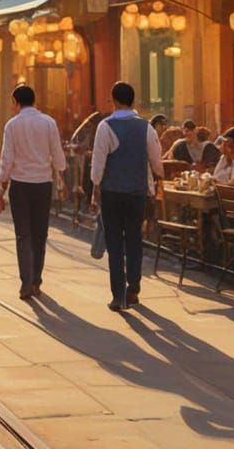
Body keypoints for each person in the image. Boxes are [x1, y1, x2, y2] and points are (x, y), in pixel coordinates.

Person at [90, 82, 164, 311]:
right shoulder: (146, 127)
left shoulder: (105, 126)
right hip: (136, 192)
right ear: (132, 101)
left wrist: (95, 186)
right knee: (134, 240)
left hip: (112, 191)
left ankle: (118, 295)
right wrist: (159, 179)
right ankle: (134, 288)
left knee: (114, 244)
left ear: (114, 100)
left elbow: (98, 162)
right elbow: (155, 159)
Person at [0, 85, 67, 301]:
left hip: (20, 185)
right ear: (34, 101)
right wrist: (60, 173)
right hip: (43, 184)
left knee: (23, 234)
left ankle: (25, 282)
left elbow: (7, 160)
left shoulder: (12, 125)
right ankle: (36, 280)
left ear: (16, 102)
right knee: (40, 233)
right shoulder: (49, 123)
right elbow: (59, 158)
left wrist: (0, 188)